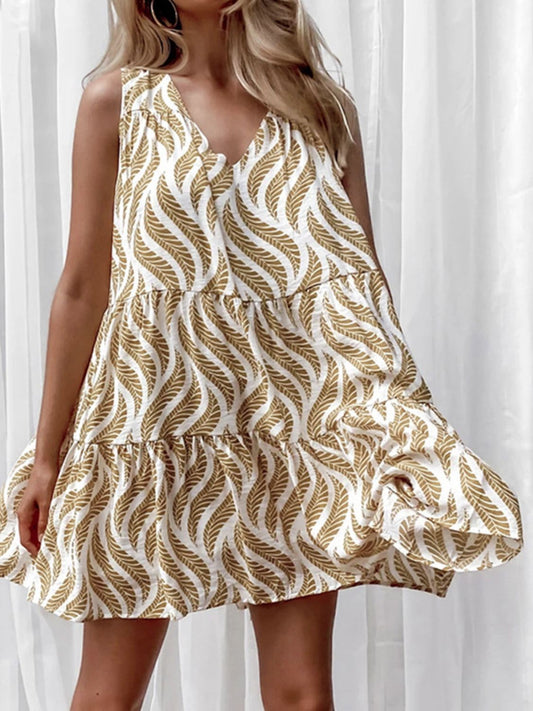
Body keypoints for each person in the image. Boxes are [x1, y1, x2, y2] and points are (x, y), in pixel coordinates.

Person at [0, 1, 524, 709]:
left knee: (302, 694)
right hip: (150, 424)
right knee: (106, 697)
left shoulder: (319, 108)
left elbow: (359, 288)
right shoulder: (116, 102)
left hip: (293, 434)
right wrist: (48, 457)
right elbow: (81, 287)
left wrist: (392, 426)